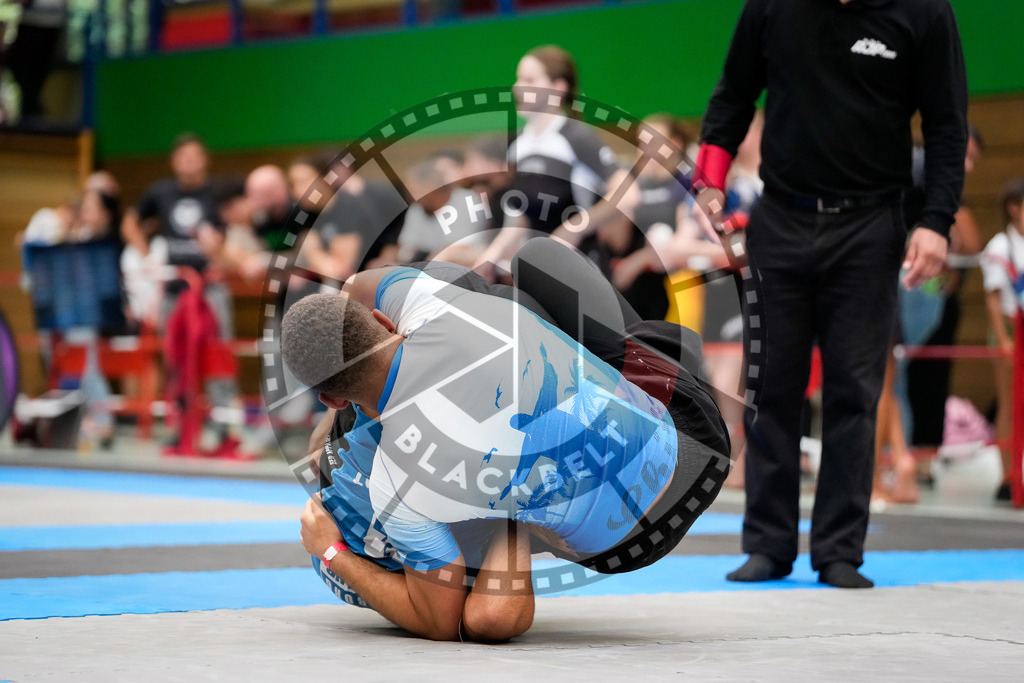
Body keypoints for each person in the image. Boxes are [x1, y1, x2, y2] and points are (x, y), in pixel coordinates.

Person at [284, 238, 731, 639]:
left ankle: (669, 353)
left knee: (502, 302)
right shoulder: (431, 304)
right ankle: (668, 351)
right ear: (385, 319)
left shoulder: (398, 479)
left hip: (626, 544)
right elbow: (360, 284)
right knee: (531, 264)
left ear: (333, 399)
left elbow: (442, 621)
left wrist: (330, 550)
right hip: (687, 436)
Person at [695, 0, 967, 588]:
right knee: (770, 387)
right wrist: (708, 180)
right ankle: (768, 543)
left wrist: (937, 221)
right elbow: (734, 93)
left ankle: (839, 550)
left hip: (871, 225)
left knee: (854, 389)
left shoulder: (924, 13)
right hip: (780, 220)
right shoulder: (771, 7)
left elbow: (947, 123)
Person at [475, 45, 633, 279]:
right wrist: (491, 255)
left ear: (558, 88)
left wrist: (572, 229)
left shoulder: (576, 136)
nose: (517, 87)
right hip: (539, 268)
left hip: (581, 266)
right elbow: (522, 215)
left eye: (529, 79)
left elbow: (629, 194)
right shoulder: (519, 144)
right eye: (518, 79)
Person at [981, 178, 1024, 503]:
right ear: (1013, 207)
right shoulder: (999, 245)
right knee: (1009, 403)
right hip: (1009, 328)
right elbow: (993, 298)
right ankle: (1009, 475)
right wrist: (1003, 341)